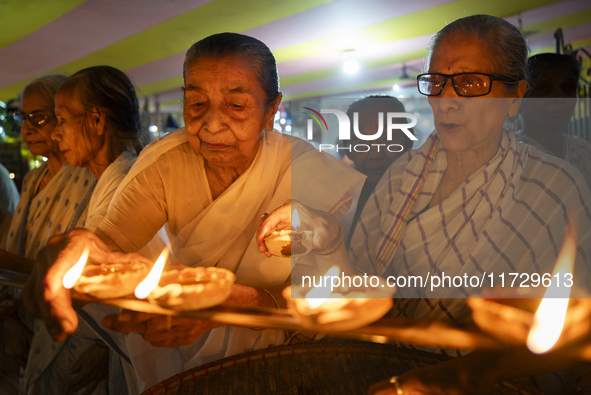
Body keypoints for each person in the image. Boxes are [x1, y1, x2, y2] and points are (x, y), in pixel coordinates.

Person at [258, 15, 591, 394]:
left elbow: (574, 334)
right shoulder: (404, 174)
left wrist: (456, 376)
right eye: (436, 82)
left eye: (469, 83)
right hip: (383, 369)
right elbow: (359, 290)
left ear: (514, 97)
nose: (446, 102)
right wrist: (331, 240)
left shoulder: (555, 188)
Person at [23, 33, 364, 393]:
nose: (212, 125)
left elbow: (330, 294)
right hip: (181, 357)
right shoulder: (166, 164)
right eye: (197, 103)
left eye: (236, 106)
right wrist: (78, 248)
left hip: (285, 362)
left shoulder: (305, 171)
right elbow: (109, 242)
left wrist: (231, 302)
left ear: (271, 109)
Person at [22, 65, 143, 395]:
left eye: (62, 120)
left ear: (97, 121)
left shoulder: (127, 182)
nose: (57, 134)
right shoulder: (107, 177)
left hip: (119, 343)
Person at [0, 74, 96, 385]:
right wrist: (11, 317)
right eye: (23, 118)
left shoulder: (91, 179)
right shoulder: (32, 180)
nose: (27, 129)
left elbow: (88, 276)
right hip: (22, 316)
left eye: (39, 117)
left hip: (74, 329)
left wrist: (13, 265)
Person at [338, 96, 414, 246]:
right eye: (360, 142)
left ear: (408, 141)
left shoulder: (431, 191)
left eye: (388, 138)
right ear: (348, 148)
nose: (375, 154)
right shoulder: (337, 202)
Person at [520, 52, 591, 187]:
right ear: (520, 97)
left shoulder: (584, 152)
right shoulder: (509, 155)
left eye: (568, 88)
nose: (558, 98)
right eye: (542, 88)